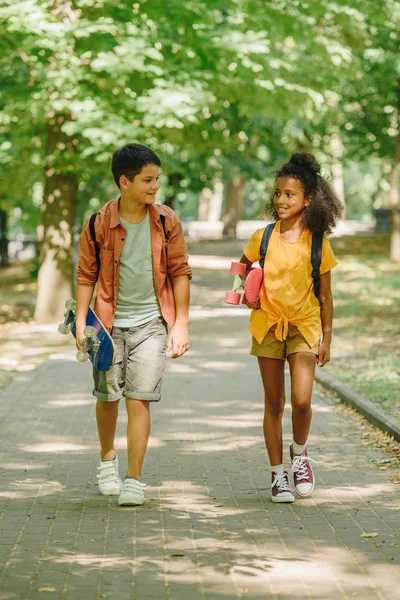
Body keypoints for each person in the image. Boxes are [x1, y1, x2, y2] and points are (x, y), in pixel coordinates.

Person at [75, 143, 192, 506]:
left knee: (139, 400)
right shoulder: (97, 224)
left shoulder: (166, 221)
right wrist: (81, 323)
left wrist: (181, 324)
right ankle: (108, 461)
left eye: (157, 179)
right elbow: (85, 275)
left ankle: (134, 478)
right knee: (108, 398)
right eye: (147, 180)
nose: (155, 187)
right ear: (124, 182)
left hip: (152, 324)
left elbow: (180, 272)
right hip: (107, 327)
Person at [240, 153, 343, 503]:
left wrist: (327, 339)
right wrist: (247, 290)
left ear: (308, 200)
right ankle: (277, 474)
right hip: (267, 325)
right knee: (274, 402)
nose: (281, 200)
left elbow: (326, 296)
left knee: (301, 400)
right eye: (278, 193)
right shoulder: (262, 237)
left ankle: (299, 454)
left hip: (305, 325)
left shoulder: (317, 242)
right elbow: (242, 267)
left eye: (290, 194)